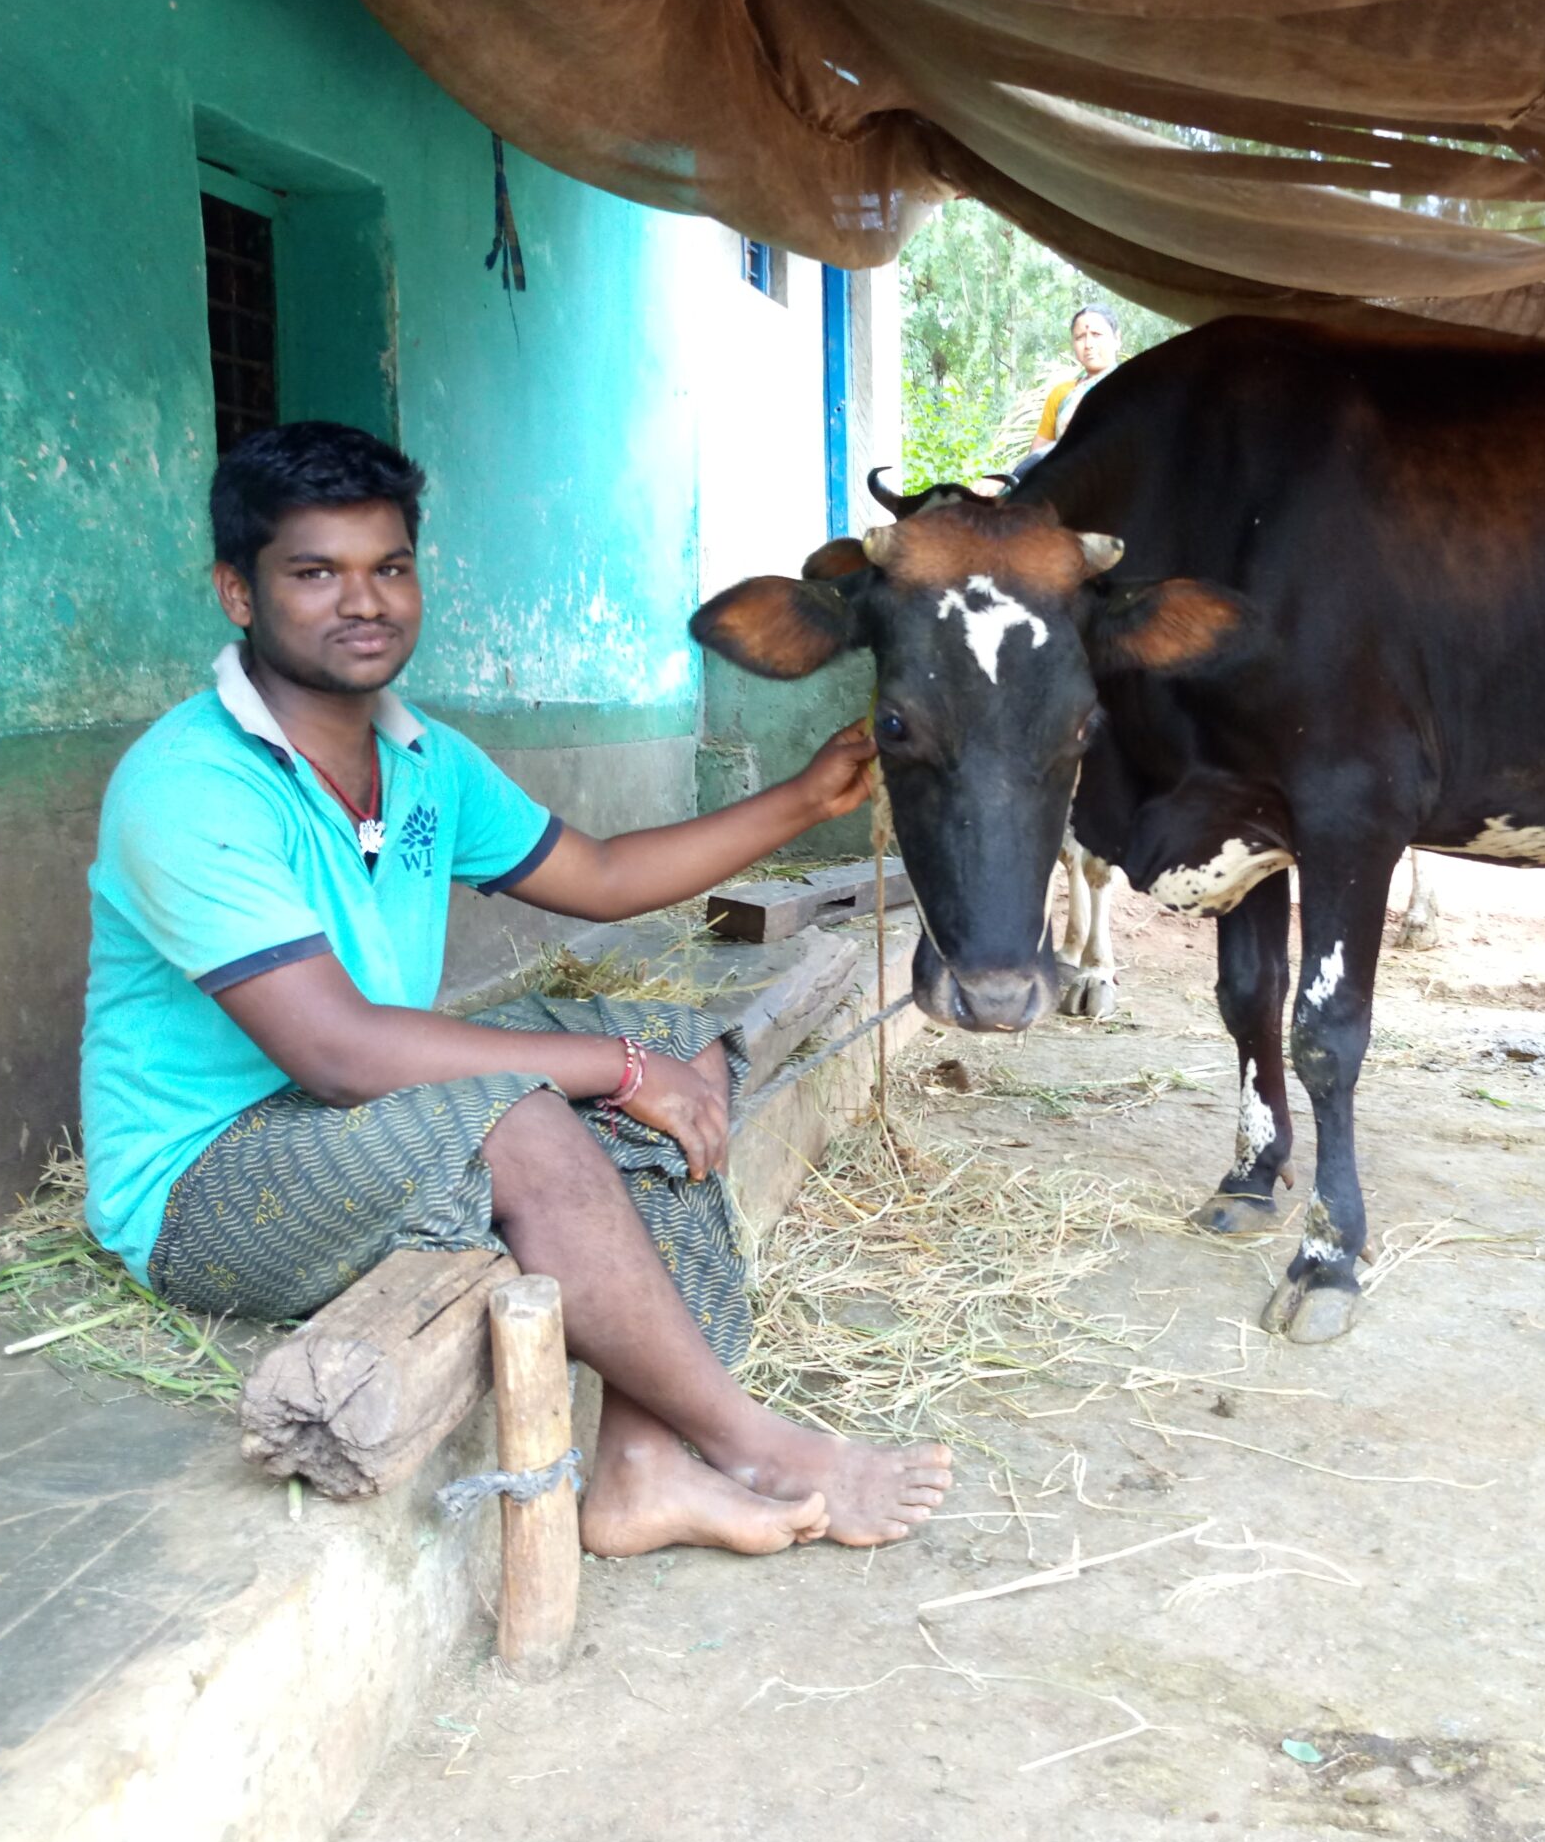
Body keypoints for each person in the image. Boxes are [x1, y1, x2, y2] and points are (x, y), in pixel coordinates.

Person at [80, 421, 952, 1556]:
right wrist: (614, 1073)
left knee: (680, 1038)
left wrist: (800, 799)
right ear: (236, 593)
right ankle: (758, 1446)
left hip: (354, 1120)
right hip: (209, 1181)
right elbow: (336, 1052)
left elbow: (596, 876)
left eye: (389, 568)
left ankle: (640, 1469)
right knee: (537, 1120)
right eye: (314, 573)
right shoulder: (189, 786)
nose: (366, 602)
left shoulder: (420, 757)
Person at [1011, 304, 1123, 478]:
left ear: (1117, 339)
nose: (1088, 345)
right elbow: (1038, 456)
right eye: (1080, 337)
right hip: (1065, 486)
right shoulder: (1062, 393)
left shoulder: (1134, 387)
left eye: (1096, 335)